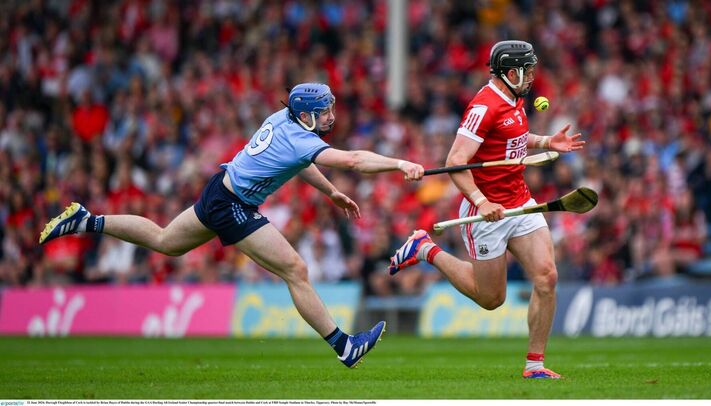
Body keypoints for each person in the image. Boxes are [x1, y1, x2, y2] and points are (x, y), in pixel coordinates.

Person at [39, 83, 425, 368]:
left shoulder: (284, 120)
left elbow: (302, 162)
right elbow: (354, 160)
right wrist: (399, 164)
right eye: (324, 111)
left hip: (218, 191)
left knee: (164, 240)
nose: (331, 116)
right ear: (305, 115)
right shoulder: (296, 135)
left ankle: (87, 220)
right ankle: (344, 346)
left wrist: (330, 193)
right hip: (234, 204)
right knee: (296, 269)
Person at [388, 40, 585, 379]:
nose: (533, 77)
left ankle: (534, 365)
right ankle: (425, 249)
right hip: (487, 211)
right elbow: (455, 162)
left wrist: (545, 142)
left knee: (547, 276)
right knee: (491, 298)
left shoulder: (514, 99)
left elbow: (513, 137)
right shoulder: (484, 106)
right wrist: (481, 201)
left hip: (520, 203)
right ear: (511, 73)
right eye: (528, 71)